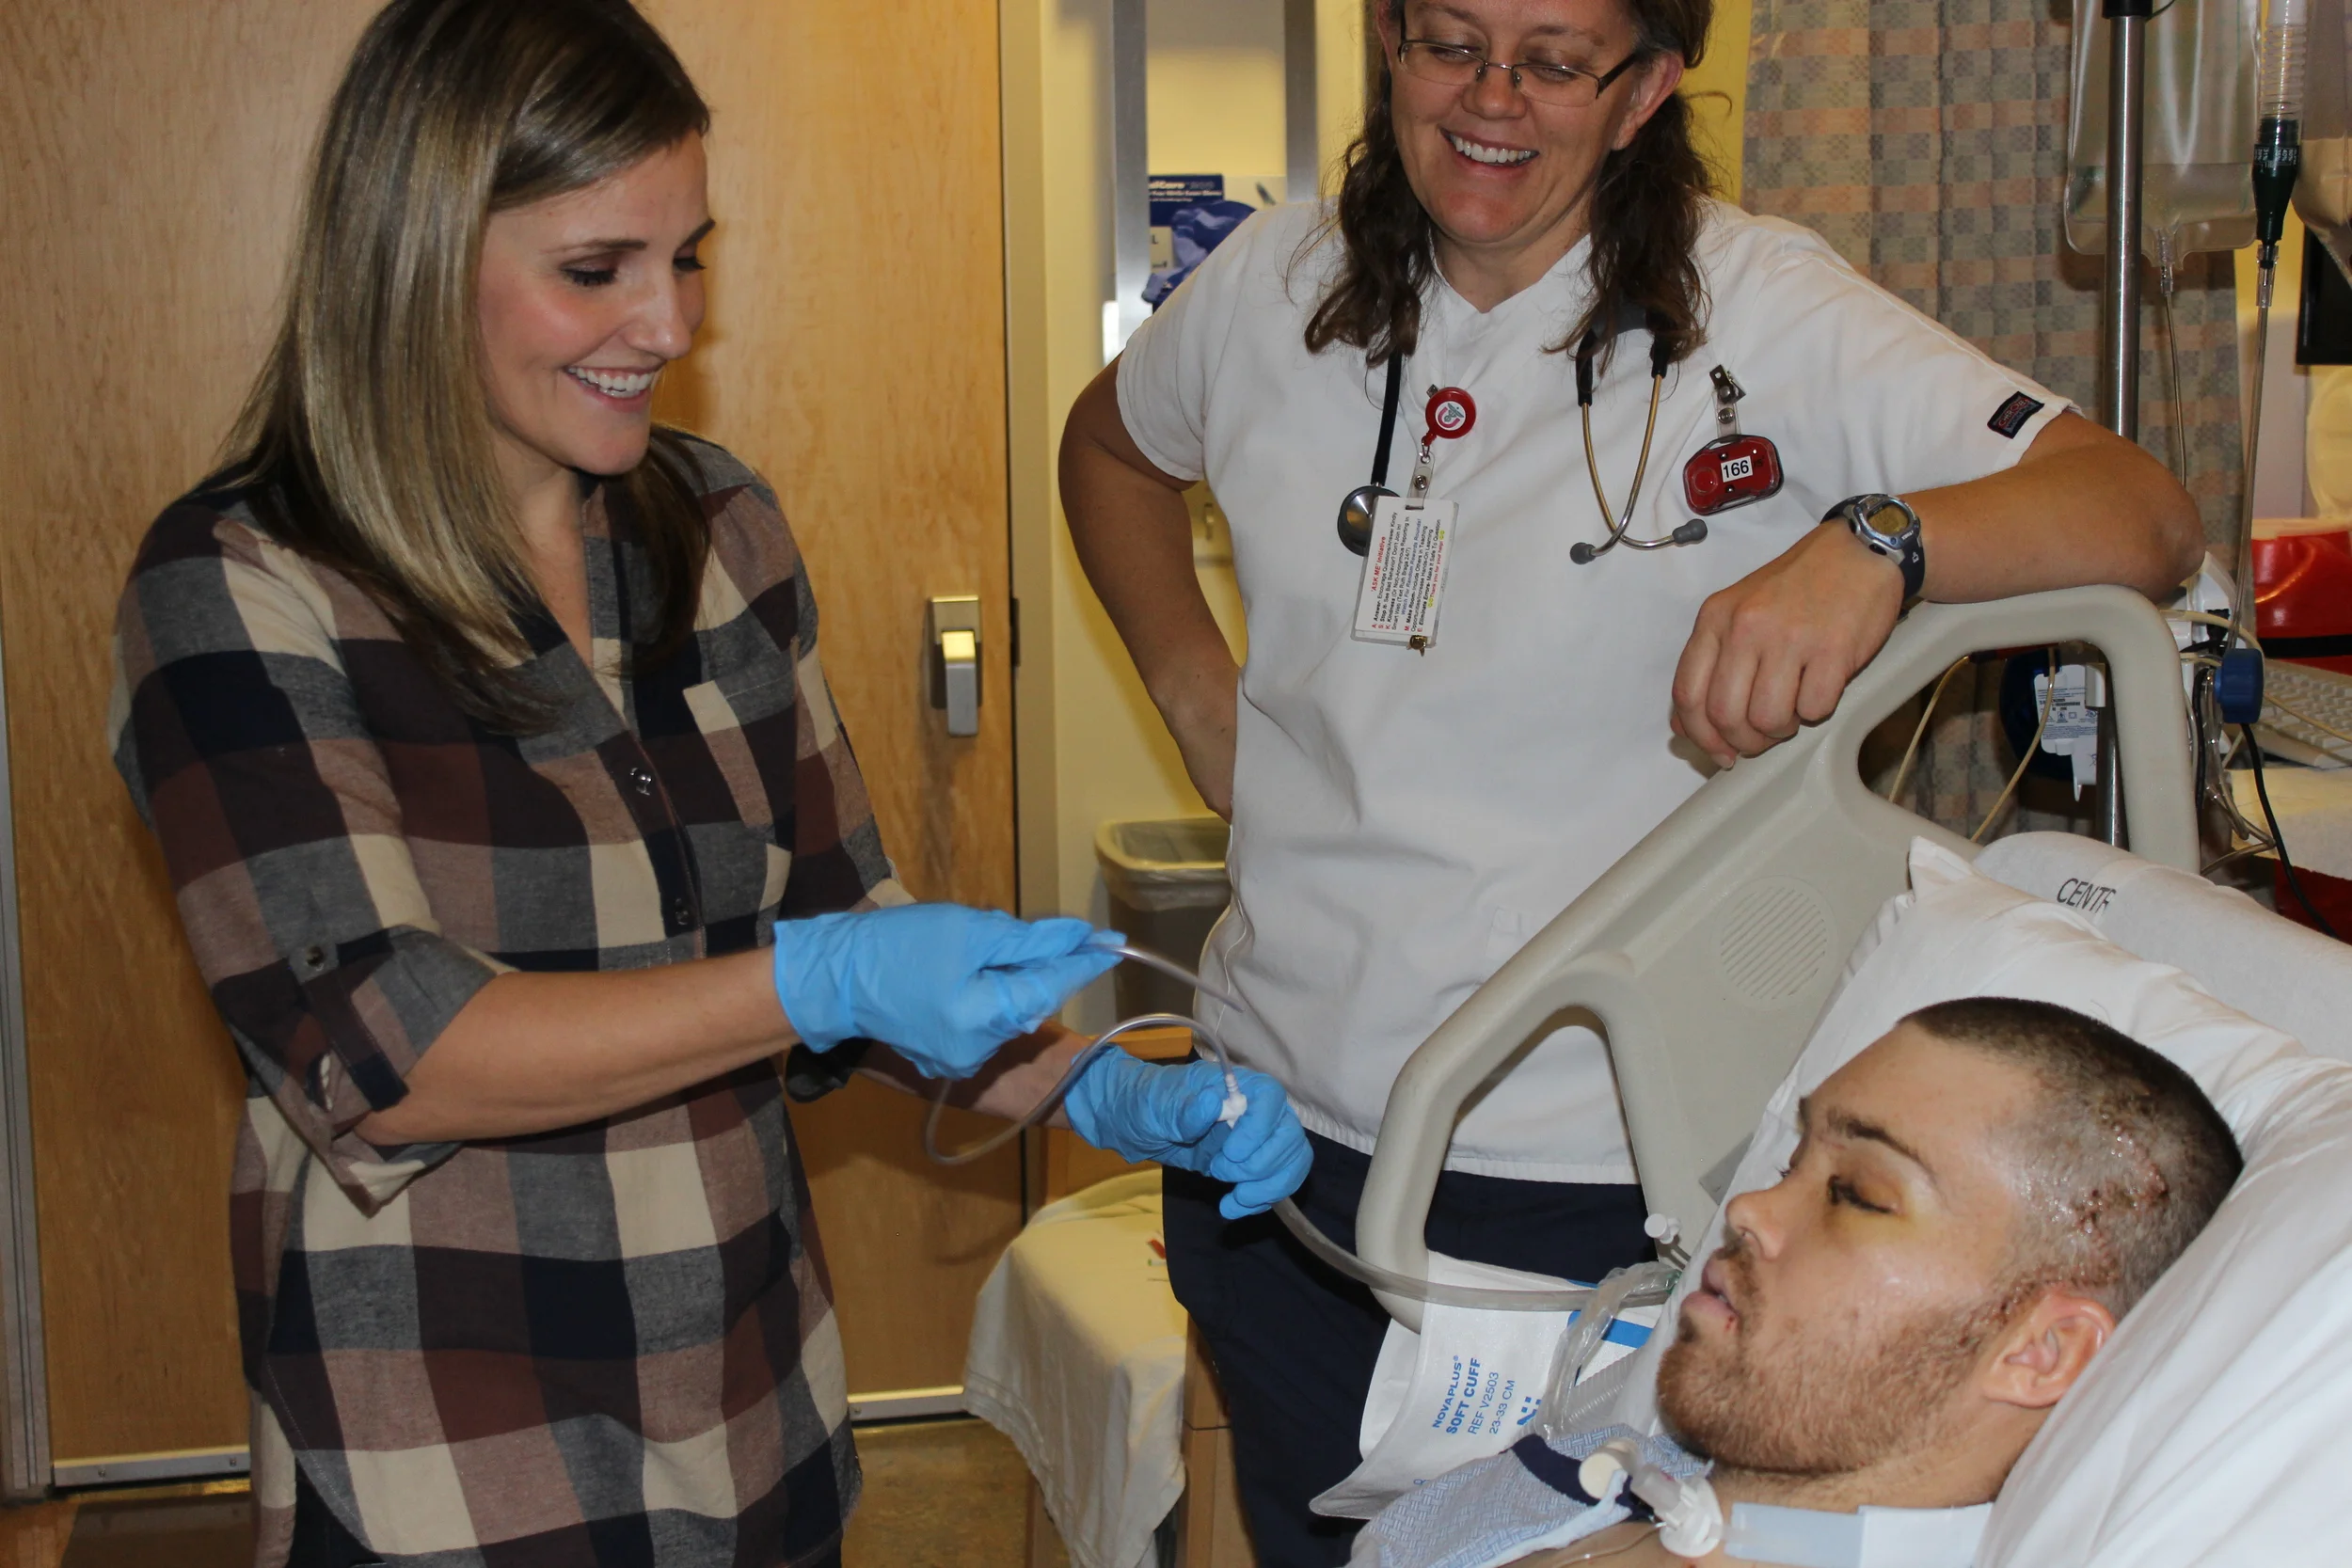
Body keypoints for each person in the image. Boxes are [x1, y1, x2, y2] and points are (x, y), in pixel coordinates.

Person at [107, 4, 1309, 1565]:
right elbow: (385, 1052)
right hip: (449, 1454)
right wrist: (821, 980)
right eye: (595, 269)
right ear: (411, 260)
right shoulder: (242, 585)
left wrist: (1088, 1081)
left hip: (752, 1421)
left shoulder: (719, 529)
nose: (668, 323)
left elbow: (844, 920)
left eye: (686, 259)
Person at [1057, 0, 2206, 1556]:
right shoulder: (1278, 282)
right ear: (1386, 38)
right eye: (1448, 42)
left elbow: (2138, 513)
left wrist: (1879, 538)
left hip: (1597, 1188)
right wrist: (1201, 702)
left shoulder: (1764, 312)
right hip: (1277, 1147)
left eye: (1553, 61)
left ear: (1648, 85)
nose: (1491, 98)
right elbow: (1111, 450)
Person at [1348, 996, 2244, 1567]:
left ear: (2040, 1350)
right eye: (1791, 1161)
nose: (1750, 1208)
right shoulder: (1586, 1477)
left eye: (1857, 1194)